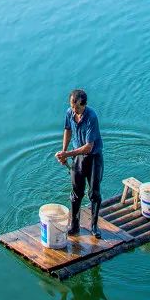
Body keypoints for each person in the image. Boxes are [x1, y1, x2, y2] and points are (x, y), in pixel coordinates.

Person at [55, 88, 104, 237]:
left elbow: (89, 147)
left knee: (94, 192)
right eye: (72, 106)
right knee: (76, 193)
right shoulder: (70, 113)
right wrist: (64, 152)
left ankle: (94, 226)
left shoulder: (91, 117)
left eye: (77, 107)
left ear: (84, 105)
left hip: (93, 156)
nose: (74, 110)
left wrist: (67, 154)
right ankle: (74, 225)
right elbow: (68, 130)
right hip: (78, 156)